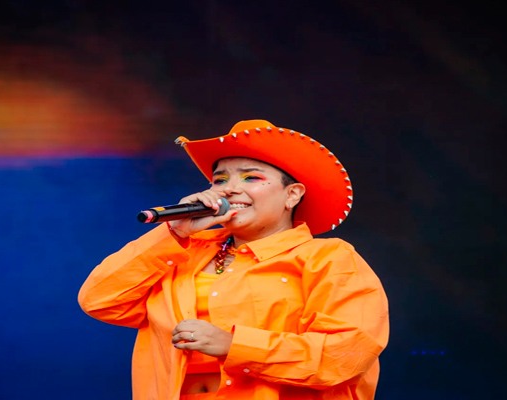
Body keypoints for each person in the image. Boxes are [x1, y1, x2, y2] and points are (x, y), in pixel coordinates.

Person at [78, 119, 389, 400]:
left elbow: (347, 354)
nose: (230, 190)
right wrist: (174, 233)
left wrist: (234, 346)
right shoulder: (182, 252)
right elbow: (100, 300)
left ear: (292, 195)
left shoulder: (328, 258)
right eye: (220, 180)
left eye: (251, 178)